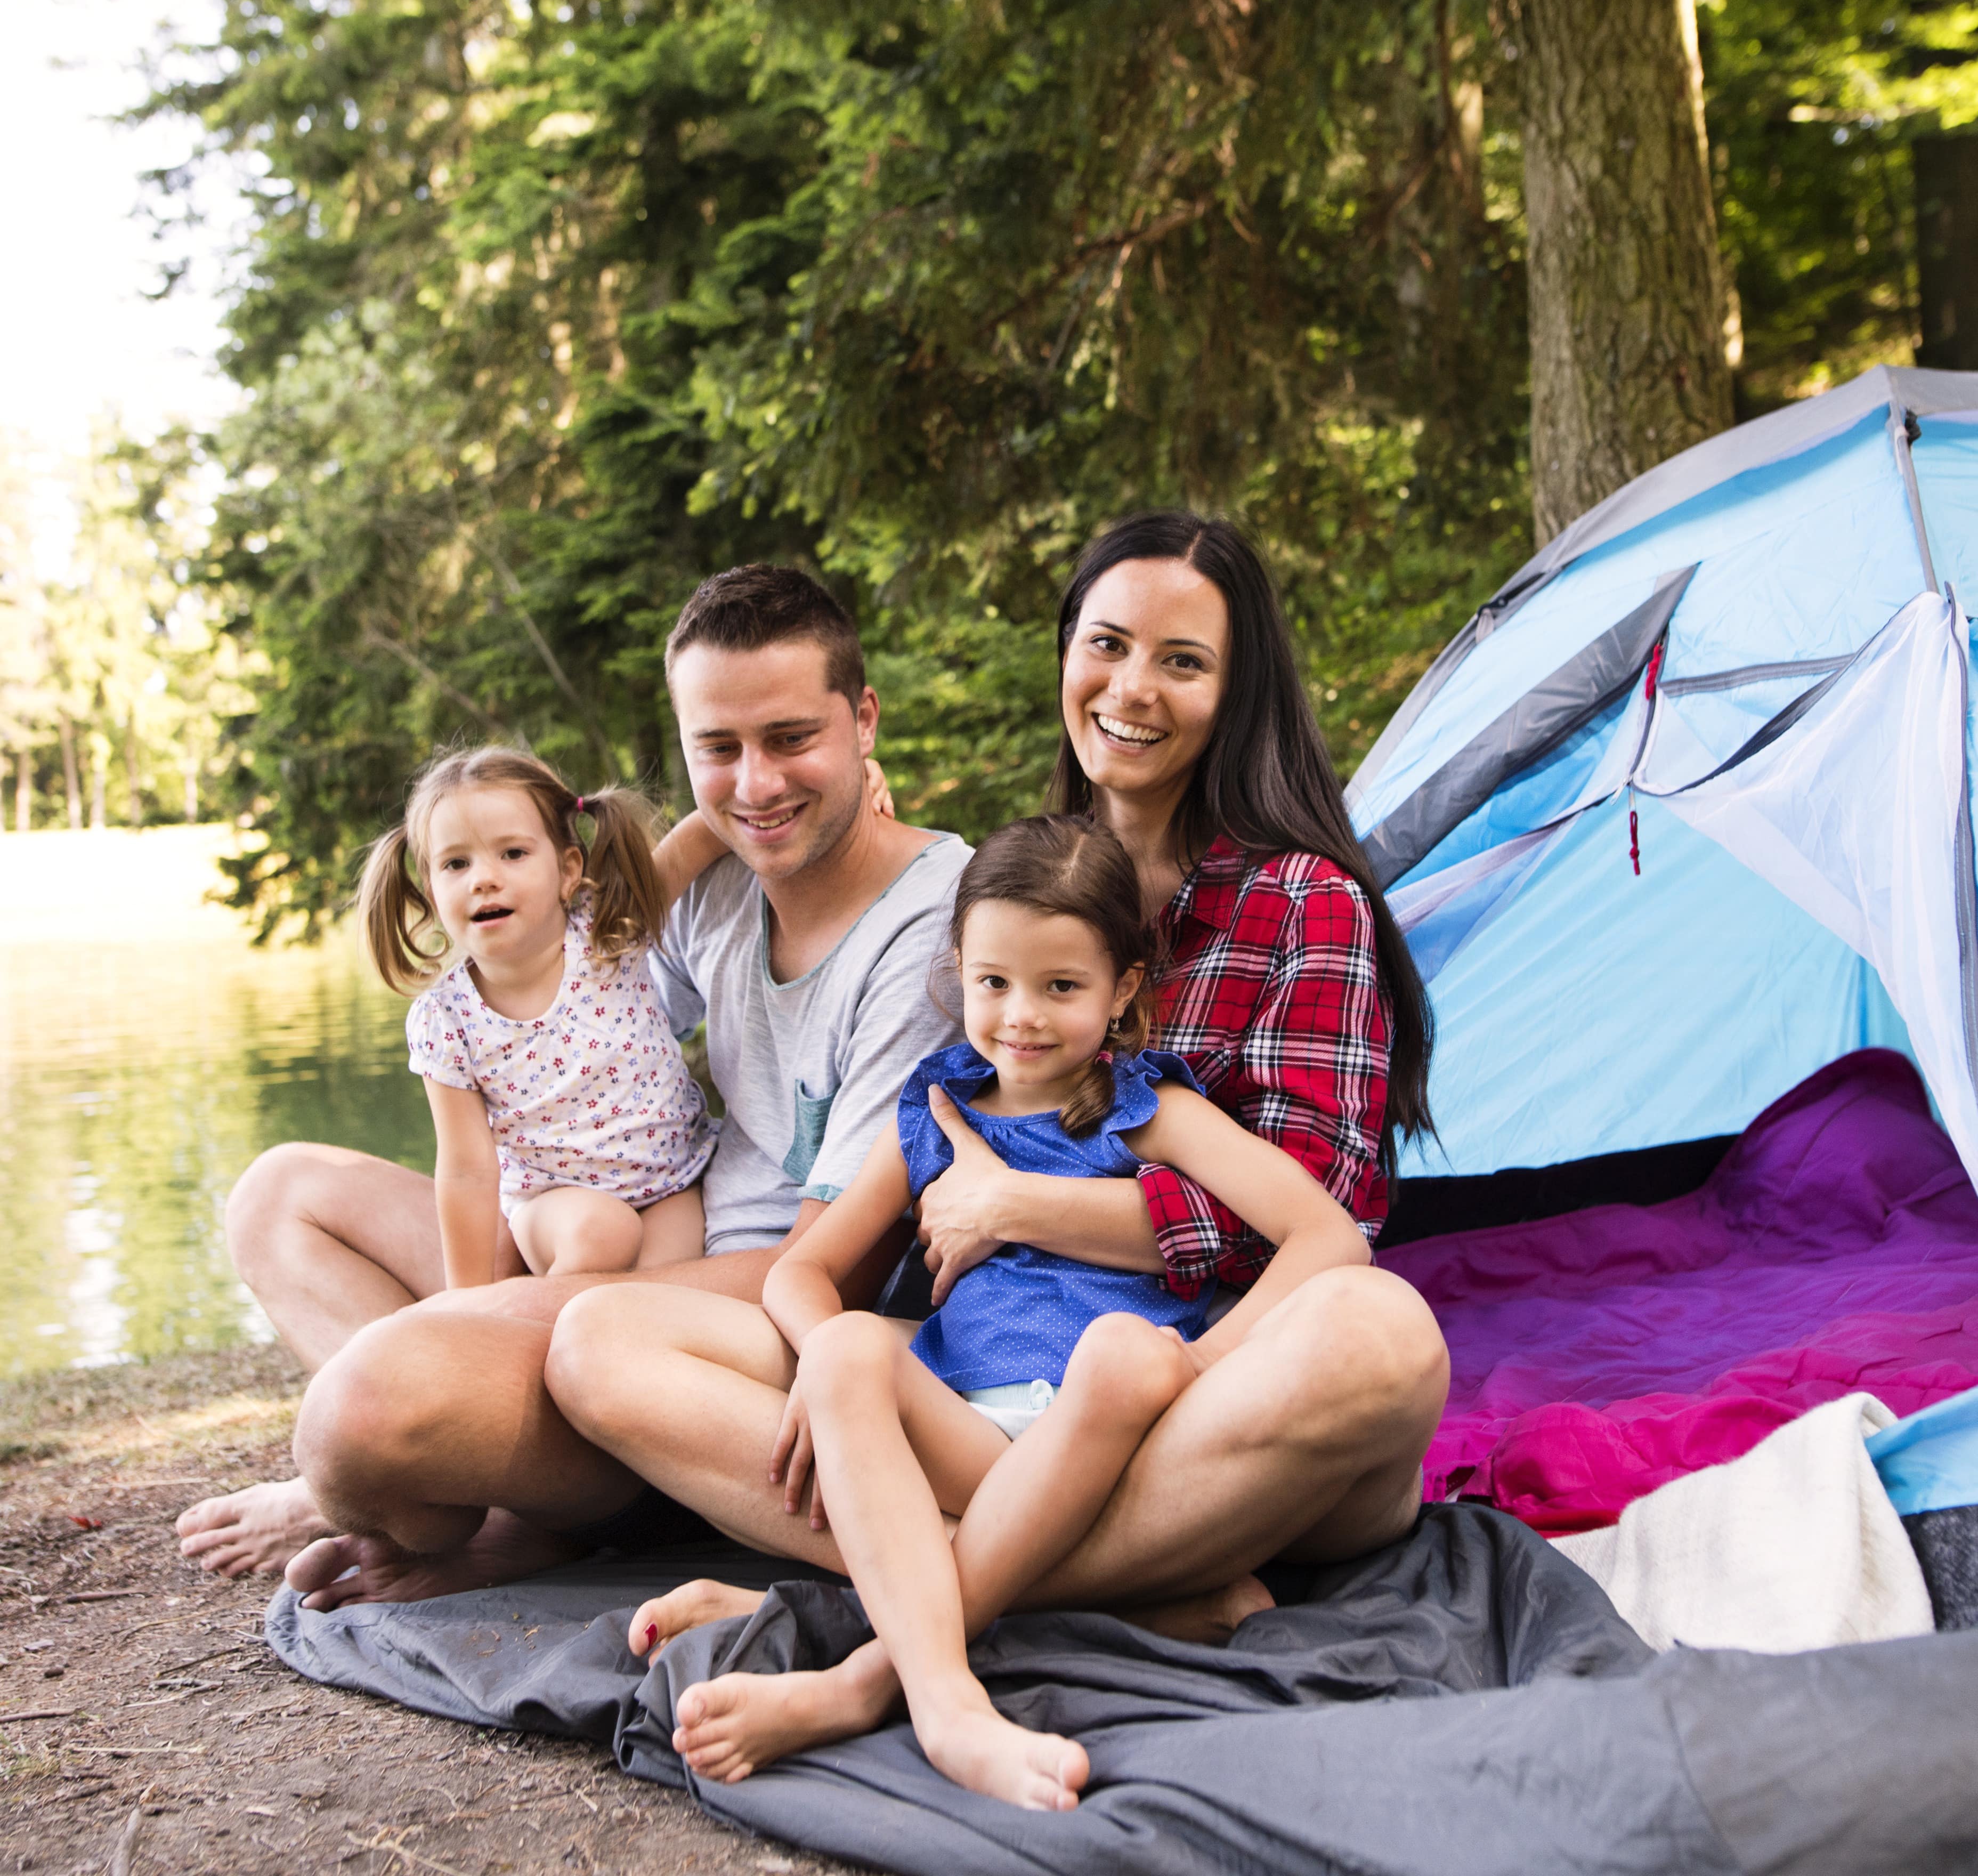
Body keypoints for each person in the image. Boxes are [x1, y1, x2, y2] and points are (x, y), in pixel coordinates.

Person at [548, 509, 1448, 1660]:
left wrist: (1019, 1209)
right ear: (1067, 650)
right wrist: (698, 835)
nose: (1131, 687)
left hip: (1202, 1389)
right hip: (979, 1381)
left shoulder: (1298, 900)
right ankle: (1101, 1590)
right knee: (596, 1338)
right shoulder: (1016, 877)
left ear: (1237, 690)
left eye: (1182, 661)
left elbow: (1324, 1221)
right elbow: (868, 1208)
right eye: (1107, 644)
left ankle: (875, 1613)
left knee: (1381, 1336)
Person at [175, 565, 970, 1592]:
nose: (756, 784)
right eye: (716, 749)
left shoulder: (934, 934)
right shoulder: (727, 877)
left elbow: (841, 1265)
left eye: (790, 739)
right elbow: (588, 998)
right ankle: (504, 1486)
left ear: (863, 721)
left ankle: (481, 1489)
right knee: (279, 1198)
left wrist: (525, 1312)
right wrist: (516, 1259)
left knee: (354, 1421)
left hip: (745, 1331)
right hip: (618, 1258)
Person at [627, 814, 1377, 1807]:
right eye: (994, 983)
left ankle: (873, 1677)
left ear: (1122, 992)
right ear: (959, 971)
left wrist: (1203, 1365)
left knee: (1124, 1351)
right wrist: (819, 1354)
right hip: (969, 1431)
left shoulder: (1146, 1108)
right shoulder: (939, 1104)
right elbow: (798, 1275)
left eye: (1060, 987)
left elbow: (1327, 1235)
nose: (1020, 1016)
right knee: (850, 1346)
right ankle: (971, 1677)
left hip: (1116, 1438)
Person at [361, 748, 722, 1283]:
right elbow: (465, 1170)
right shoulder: (447, 1019)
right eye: (456, 864)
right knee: (603, 1231)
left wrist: (854, 789)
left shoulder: (611, 935)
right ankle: (527, 1326)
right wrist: (467, 1301)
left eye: (512, 853)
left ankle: (572, 1349)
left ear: (567, 870)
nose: (483, 878)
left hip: (675, 1181)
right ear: (433, 892)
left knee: (658, 1293)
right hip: (555, 1206)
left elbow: (706, 833)